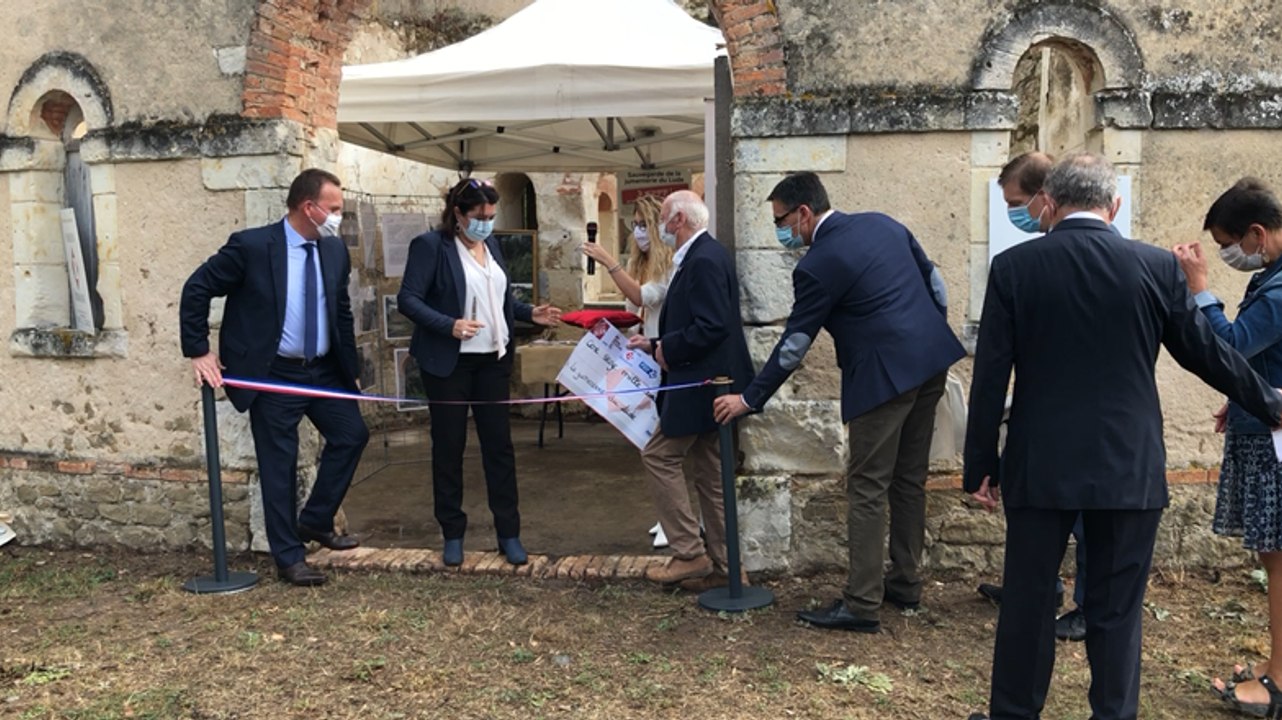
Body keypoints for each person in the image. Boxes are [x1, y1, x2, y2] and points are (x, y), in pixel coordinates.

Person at [963, 154, 1282, 720]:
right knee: (1117, 611)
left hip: (1041, 463)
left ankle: (1013, 715)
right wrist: (1271, 404)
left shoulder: (1014, 268)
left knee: (1028, 604)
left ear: (1051, 204)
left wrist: (980, 464)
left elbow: (990, 376)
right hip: (1128, 464)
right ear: (1113, 207)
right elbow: (1208, 355)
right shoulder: (1157, 268)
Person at [713, 171, 965, 632]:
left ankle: (862, 603)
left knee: (867, 487)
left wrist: (750, 399)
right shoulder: (882, 223)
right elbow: (935, 283)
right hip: (931, 361)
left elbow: (794, 345)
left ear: (804, 213)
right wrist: (925, 333)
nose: (781, 231)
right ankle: (906, 584)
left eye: (781, 220)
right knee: (909, 480)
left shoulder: (817, 264)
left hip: (883, 379)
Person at [180, 168, 369, 587]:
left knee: (351, 435)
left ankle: (315, 520)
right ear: (309, 207)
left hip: (322, 371)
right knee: (278, 465)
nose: (340, 216)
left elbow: (340, 311)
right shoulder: (252, 247)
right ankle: (289, 557)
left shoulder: (334, 250)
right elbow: (197, 288)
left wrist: (350, 370)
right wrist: (199, 349)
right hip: (273, 374)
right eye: (334, 208)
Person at [397, 178, 561, 568]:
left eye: (491, 216)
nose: (486, 222)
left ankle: (509, 532)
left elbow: (499, 298)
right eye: (479, 216)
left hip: (492, 359)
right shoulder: (430, 247)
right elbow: (408, 299)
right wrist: (448, 324)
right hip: (449, 363)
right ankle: (452, 532)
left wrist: (529, 313)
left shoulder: (493, 245)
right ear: (458, 213)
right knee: (449, 447)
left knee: (499, 448)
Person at [1173, 179, 1282, 717]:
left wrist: (1200, 288)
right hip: (1262, 421)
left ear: (1257, 234)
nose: (1224, 256)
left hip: (1274, 438)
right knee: (1273, 552)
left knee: (1279, 555)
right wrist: (1242, 399)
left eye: (1227, 244)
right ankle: (1276, 665)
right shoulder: (1272, 277)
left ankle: (1279, 683)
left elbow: (1233, 346)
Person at [976, 151, 1089, 643]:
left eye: (1017, 203)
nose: (1013, 213)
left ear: (1046, 199)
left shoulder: (1081, 256)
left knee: (1084, 517)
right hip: (1042, 411)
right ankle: (1038, 587)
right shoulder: (1027, 259)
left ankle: (1084, 603)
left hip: (1082, 413)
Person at [627, 190, 753, 591]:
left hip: (701, 383)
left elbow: (712, 325)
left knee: (659, 456)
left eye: (663, 218)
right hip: (707, 382)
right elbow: (697, 319)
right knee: (712, 477)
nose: (659, 226)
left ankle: (688, 553)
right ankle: (728, 567)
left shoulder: (703, 259)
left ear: (678, 219)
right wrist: (653, 344)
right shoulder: (702, 256)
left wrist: (668, 348)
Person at [580, 194, 676, 549]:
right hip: (643, 357)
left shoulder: (670, 267)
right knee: (648, 442)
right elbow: (634, 311)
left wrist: (607, 262)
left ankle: (678, 519)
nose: (637, 232)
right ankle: (667, 513)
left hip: (664, 358)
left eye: (641, 224)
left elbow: (641, 297)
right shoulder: (640, 262)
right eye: (632, 225)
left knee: (665, 446)